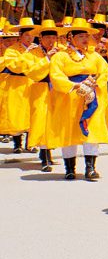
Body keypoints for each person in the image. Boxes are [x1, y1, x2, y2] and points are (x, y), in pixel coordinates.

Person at [47, 17, 108, 181]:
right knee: (69, 131)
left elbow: (104, 71)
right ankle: (69, 168)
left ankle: (90, 167)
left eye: (86, 36)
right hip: (69, 97)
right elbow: (56, 76)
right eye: (81, 36)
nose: (85, 39)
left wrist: (94, 84)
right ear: (70, 37)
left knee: (92, 130)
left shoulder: (94, 56)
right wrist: (74, 85)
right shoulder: (60, 56)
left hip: (90, 96)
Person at [20, 19, 59, 172]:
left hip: (56, 90)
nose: (51, 41)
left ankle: (49, 151)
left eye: (53, 37)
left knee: (53, 122)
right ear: (40, 38)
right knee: (41, 122)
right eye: (47, 37)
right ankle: (45, 156)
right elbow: (33, 73)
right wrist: (47, 58)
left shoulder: (61, 52)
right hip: (40, 90)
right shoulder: (32, 53)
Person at [0, 19, 31, 152]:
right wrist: (27, 55)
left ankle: (31, 143)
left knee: (31, 113)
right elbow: (15, 67)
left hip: (31, 83)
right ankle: (17, 143)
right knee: (16, 113)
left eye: (32, 35)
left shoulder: (35, 49)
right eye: (27, 35)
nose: (30, 38)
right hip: (15, 84)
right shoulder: (11, 51)